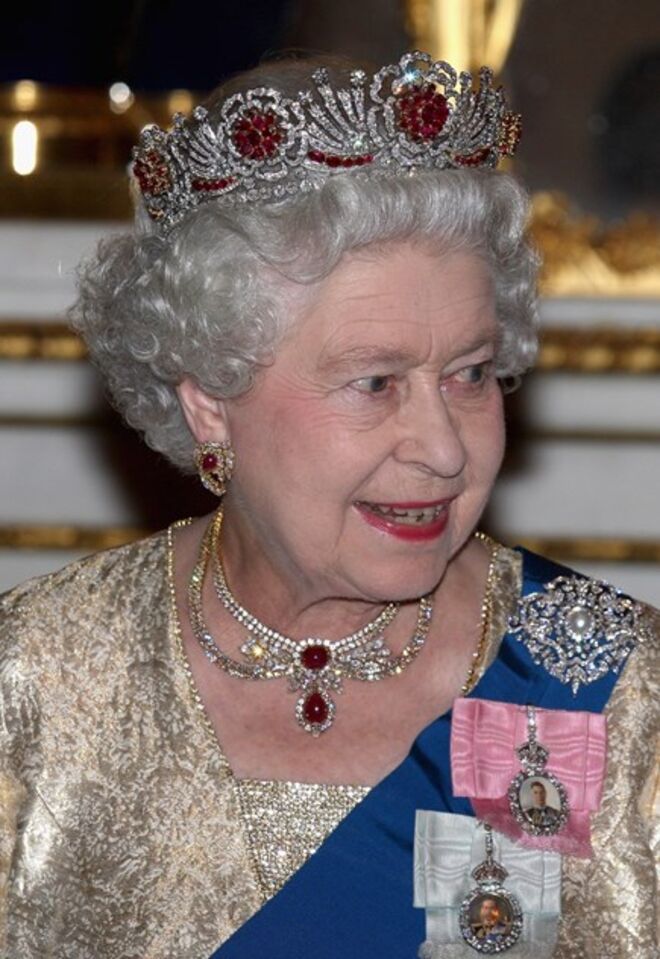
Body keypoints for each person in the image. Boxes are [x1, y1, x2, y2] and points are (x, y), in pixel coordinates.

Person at [0, 51, 657, 959]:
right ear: (210, 398)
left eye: (471, 373)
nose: (445, 446)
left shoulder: (609, 692)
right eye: (375, 381)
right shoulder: (32, 680)